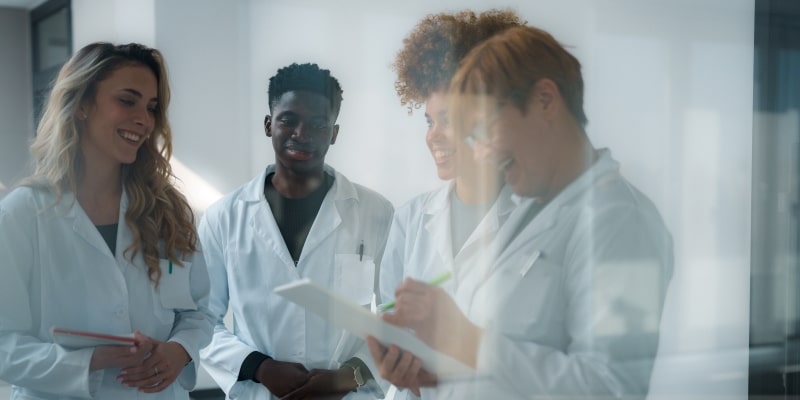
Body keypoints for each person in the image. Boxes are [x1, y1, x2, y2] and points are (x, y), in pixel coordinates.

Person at [368, 25, 674, 400]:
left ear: (545, 100)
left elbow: (613, 388)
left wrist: (467, 342)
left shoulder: (623, 222)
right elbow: (507, 363)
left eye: (483, 130)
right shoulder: (528, 208)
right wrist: (429, 379)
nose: (479, 154)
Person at [0, 42, 213, 399]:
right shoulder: (22, 215)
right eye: (127, 101)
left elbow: (199, 311)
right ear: (82, 104)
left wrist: (179, 351)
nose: (144, 120)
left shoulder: (168, 212)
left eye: (151, 107)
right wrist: (89, 362)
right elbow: (3, 342)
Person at [199, 63, 394, 399]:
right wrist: (260, 367)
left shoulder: (375, 213)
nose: (302, 134)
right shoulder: (224, 217)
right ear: (268, 124)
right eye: (289, 120)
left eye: (318, 124)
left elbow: (396, 320)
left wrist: (348, 377)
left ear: (334, 133)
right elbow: (201, 320)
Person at [377, 9, 524, 399]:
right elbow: (392, 325)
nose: (434, 136)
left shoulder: (538, 221)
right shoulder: (410, 219)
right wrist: (393, 362)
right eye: (429, 121)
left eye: (449, 119)